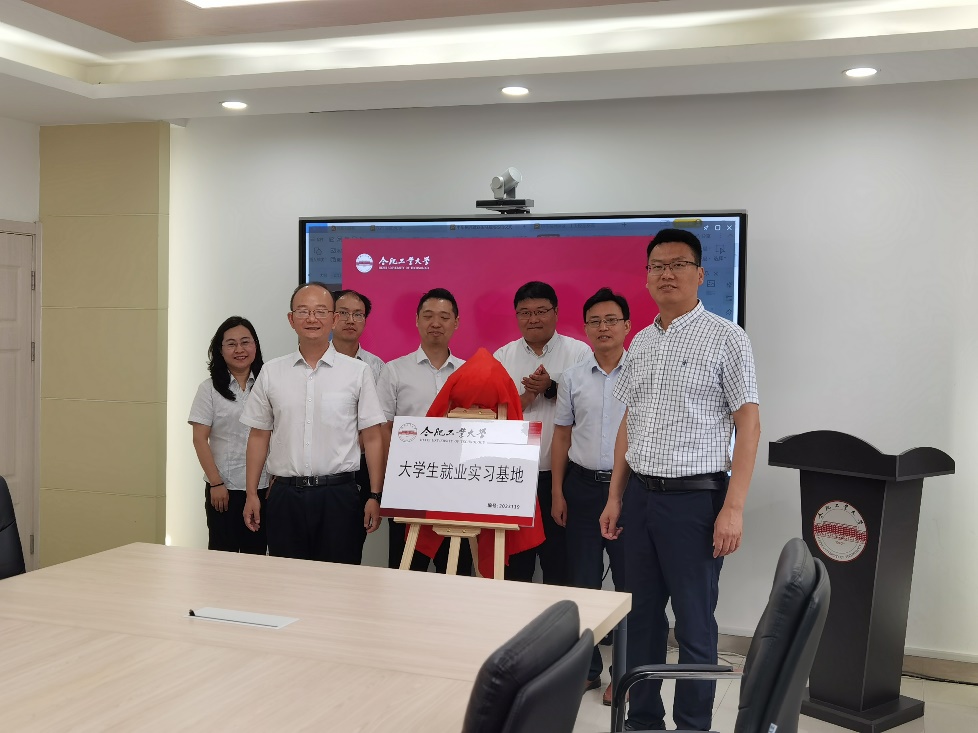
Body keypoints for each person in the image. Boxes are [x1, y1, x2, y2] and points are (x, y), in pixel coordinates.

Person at [599, 229, 760, 731]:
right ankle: (643, 719)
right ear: (647, 276)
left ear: (700, 274)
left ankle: (693, 725)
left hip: (695, 502)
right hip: (641, 499)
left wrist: (733, 508)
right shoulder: (642, 341)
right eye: (657, 266)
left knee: (694, 623)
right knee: (641, 618)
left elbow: (749, 424)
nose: (666, 274)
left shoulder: (727, 337)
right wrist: (615, 496)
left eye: (678, 264)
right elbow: (630, 420)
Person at [241, 282, 386, 563]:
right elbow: (258, 435)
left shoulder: (358, 372)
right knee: (287, 580)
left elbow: (372, 437)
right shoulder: (272, 372)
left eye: (320, 311)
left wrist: (374, 495)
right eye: (303, 311)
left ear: (333, 319)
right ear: (291, 319)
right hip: (284, 495)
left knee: (339, 579)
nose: (311, 318)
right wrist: (251, 494)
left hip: (339, 497)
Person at [551, 287, 630, 701]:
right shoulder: (573, 377)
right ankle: (587, 668)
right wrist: (557, 491)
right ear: (585, 328)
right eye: (595, 321)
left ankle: (626, 673)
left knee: (630, 582)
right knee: (582, 581)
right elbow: (562, 436)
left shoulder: (642, 372)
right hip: (581, 488)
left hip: (630, 489)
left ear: (627, 326)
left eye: (611, 320)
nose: (603, 328)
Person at [494, 281, 590, 583]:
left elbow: (591, 408)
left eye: (540, 311)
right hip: (513, 477)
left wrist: (553, 388)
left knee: (559, 565)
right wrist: (526, 397)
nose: (533, 319)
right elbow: (491, 416)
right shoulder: (502, 357)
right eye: (525, 312)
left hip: (563, 478)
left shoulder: (579, 353)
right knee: (515, 567)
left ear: (556, 312)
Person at [375, 287, 471, 573]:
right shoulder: (394, 371)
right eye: (428, 316)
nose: (435, 323)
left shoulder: (468, 373)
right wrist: (388, 480)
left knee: (455, 573)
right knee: (405, 572)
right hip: (408, 486)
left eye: (444, 317)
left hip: (457, 488)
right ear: (417, 320)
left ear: (456, 322)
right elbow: (383, 429)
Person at [188, 316, 269, 554]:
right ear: (220, 350)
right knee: (222, 558)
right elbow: (199, 439)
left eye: (245, 342)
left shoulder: (268, 385)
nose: (239, 349)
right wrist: (216, 483)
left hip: (263, 487)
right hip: (223, 489)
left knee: (257, 556)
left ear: (255, 346)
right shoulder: (209, 389)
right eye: (231, 344)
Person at [330, 288, 384, 562]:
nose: (351, 320)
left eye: (358, 314)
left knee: (348, 552)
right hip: (318, 468)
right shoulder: (311, 364)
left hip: (360, 468)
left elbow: (379, 424)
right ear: (331, 317)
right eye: (343, 313)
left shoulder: (376, 367)